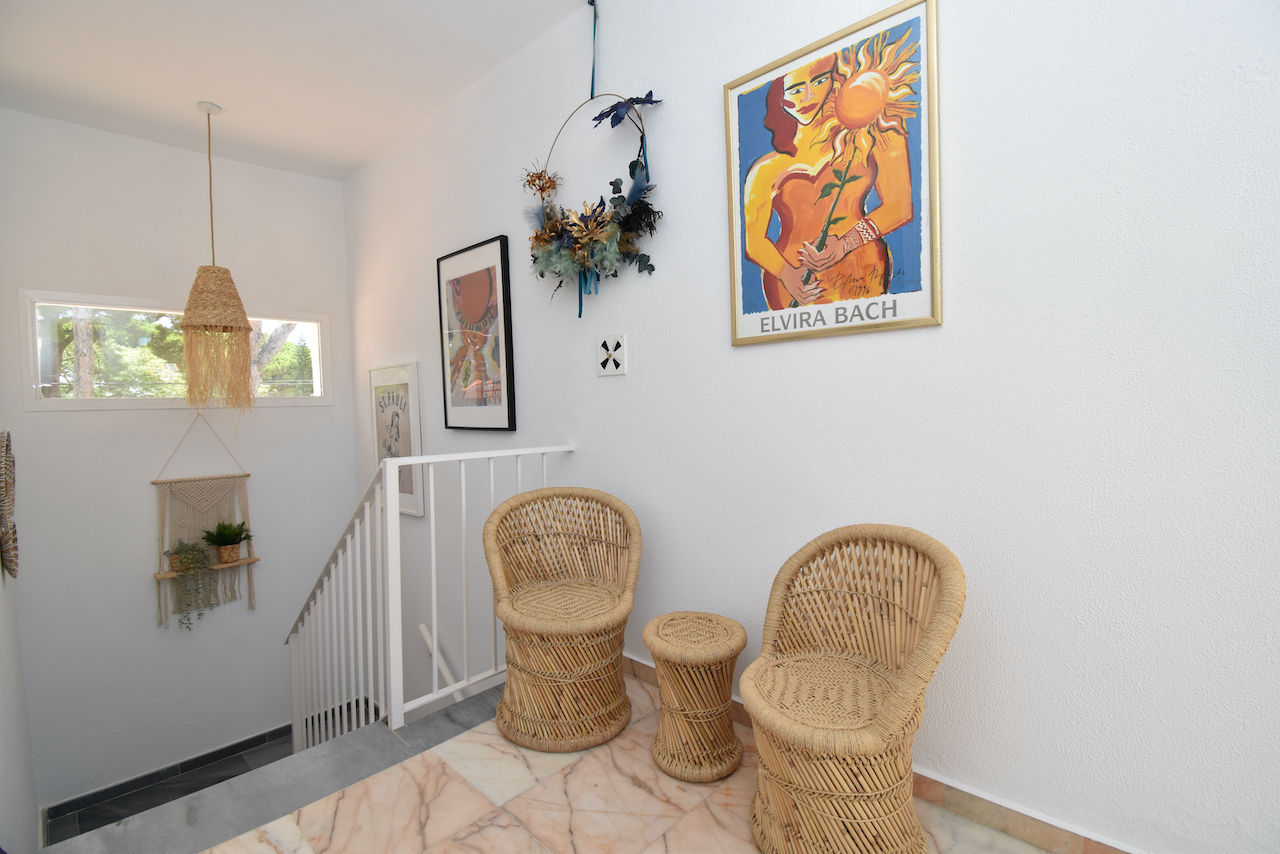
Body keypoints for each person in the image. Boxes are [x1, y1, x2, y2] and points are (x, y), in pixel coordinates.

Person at [742, 27, 919, 310]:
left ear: (835, 81)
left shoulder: (873, 134)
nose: (808, 96)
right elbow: (754, 242)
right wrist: (788, 275)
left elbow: (899, 206)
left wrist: (846, 244)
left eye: (820, 80)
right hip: (793, 285)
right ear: (782, 102)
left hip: (862, 271)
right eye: (796, 90)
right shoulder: (766, 168)